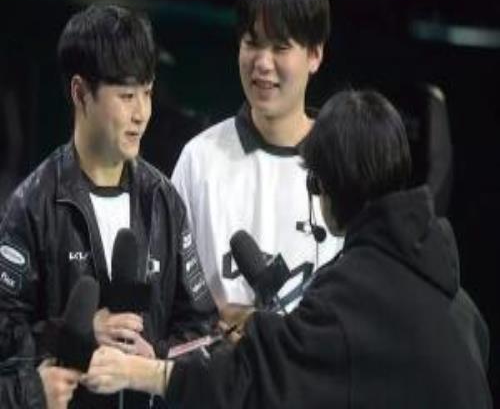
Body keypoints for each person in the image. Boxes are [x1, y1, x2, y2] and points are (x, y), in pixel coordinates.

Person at [84, 89, 492, 408]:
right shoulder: (461, 307)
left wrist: (140, 372)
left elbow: (250, 383)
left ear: (326, 185)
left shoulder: (351, 297)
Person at [0, 4, 217, 408]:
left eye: (148, 93)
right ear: (80, 93)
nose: (142, 113)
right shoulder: (31, 206)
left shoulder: (163, 201)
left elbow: (201, 330)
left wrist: (154, 360)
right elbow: (6, 336)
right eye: (127, 96)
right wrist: (74, 334)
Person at [171, 0, 344, 312]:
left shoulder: (342, 166)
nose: (262, 63)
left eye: (280, 47)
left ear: (314, 55)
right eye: (252, 43)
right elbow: (167, 297)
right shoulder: (199, 159)